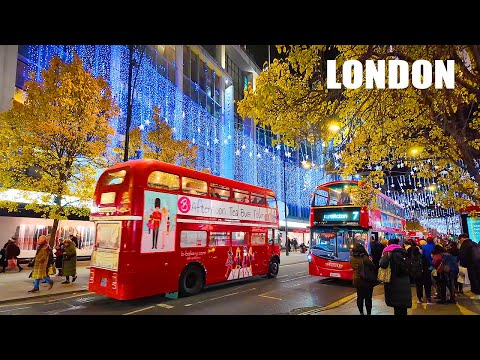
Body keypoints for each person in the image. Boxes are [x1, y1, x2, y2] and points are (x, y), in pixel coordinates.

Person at [379, 238, 412, 315]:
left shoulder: (387, 252)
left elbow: (382, 264)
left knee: (396, 305)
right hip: (405, 281)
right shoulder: (404, 252)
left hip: (394, 280)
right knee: (403, 305)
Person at [350, 243, 376, 315]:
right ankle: (368, 313)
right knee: (368, 298)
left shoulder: (351, 257)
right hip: (366, 280)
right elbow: (372, 266)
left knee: (360, 297)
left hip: (357, 280)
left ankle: (361, 313)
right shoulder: (364, 258)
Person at [458, 233, 480, 300]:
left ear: (462, 238)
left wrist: (462, 264)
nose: (460, 241)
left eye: (460, 240)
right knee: (478, 277)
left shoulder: (465, 244)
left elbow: (462, 255)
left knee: (473, 279)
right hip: (478, 263)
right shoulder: (474, 243)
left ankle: (476, 292)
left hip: (470, 264)